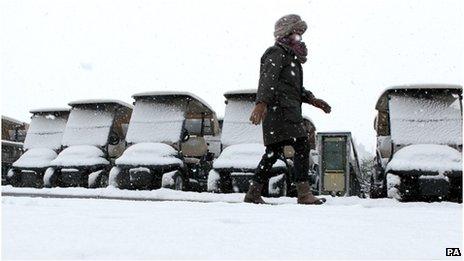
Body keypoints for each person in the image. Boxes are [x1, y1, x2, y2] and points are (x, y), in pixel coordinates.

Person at [244, 14, 331, 205]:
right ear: (286, 33)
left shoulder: (291, 58)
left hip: (286, 112)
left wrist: (313, 100)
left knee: (273, 152)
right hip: (280, 113)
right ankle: (304, 193)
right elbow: (267, 80)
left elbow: (295, 90)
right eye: (297, 34)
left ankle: (253, 192)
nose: (300, 38)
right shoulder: (276, 53)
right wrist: (261, 104)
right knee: (301, 145)